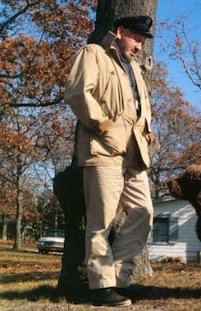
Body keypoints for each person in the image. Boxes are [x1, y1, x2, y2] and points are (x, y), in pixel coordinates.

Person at [64, 16, 155, 307]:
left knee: (143, 214)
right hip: (102, 150)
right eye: (136, 39)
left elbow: (140, 106)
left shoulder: (136, 69)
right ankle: (101, 288)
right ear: (120, 32)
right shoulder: (93, 54)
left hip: (135, 153)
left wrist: (146, 130)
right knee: (100, 222)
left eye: (143, 41)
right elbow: (77, 92)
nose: (140, 46)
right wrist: (101, 125)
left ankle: (119, 280)